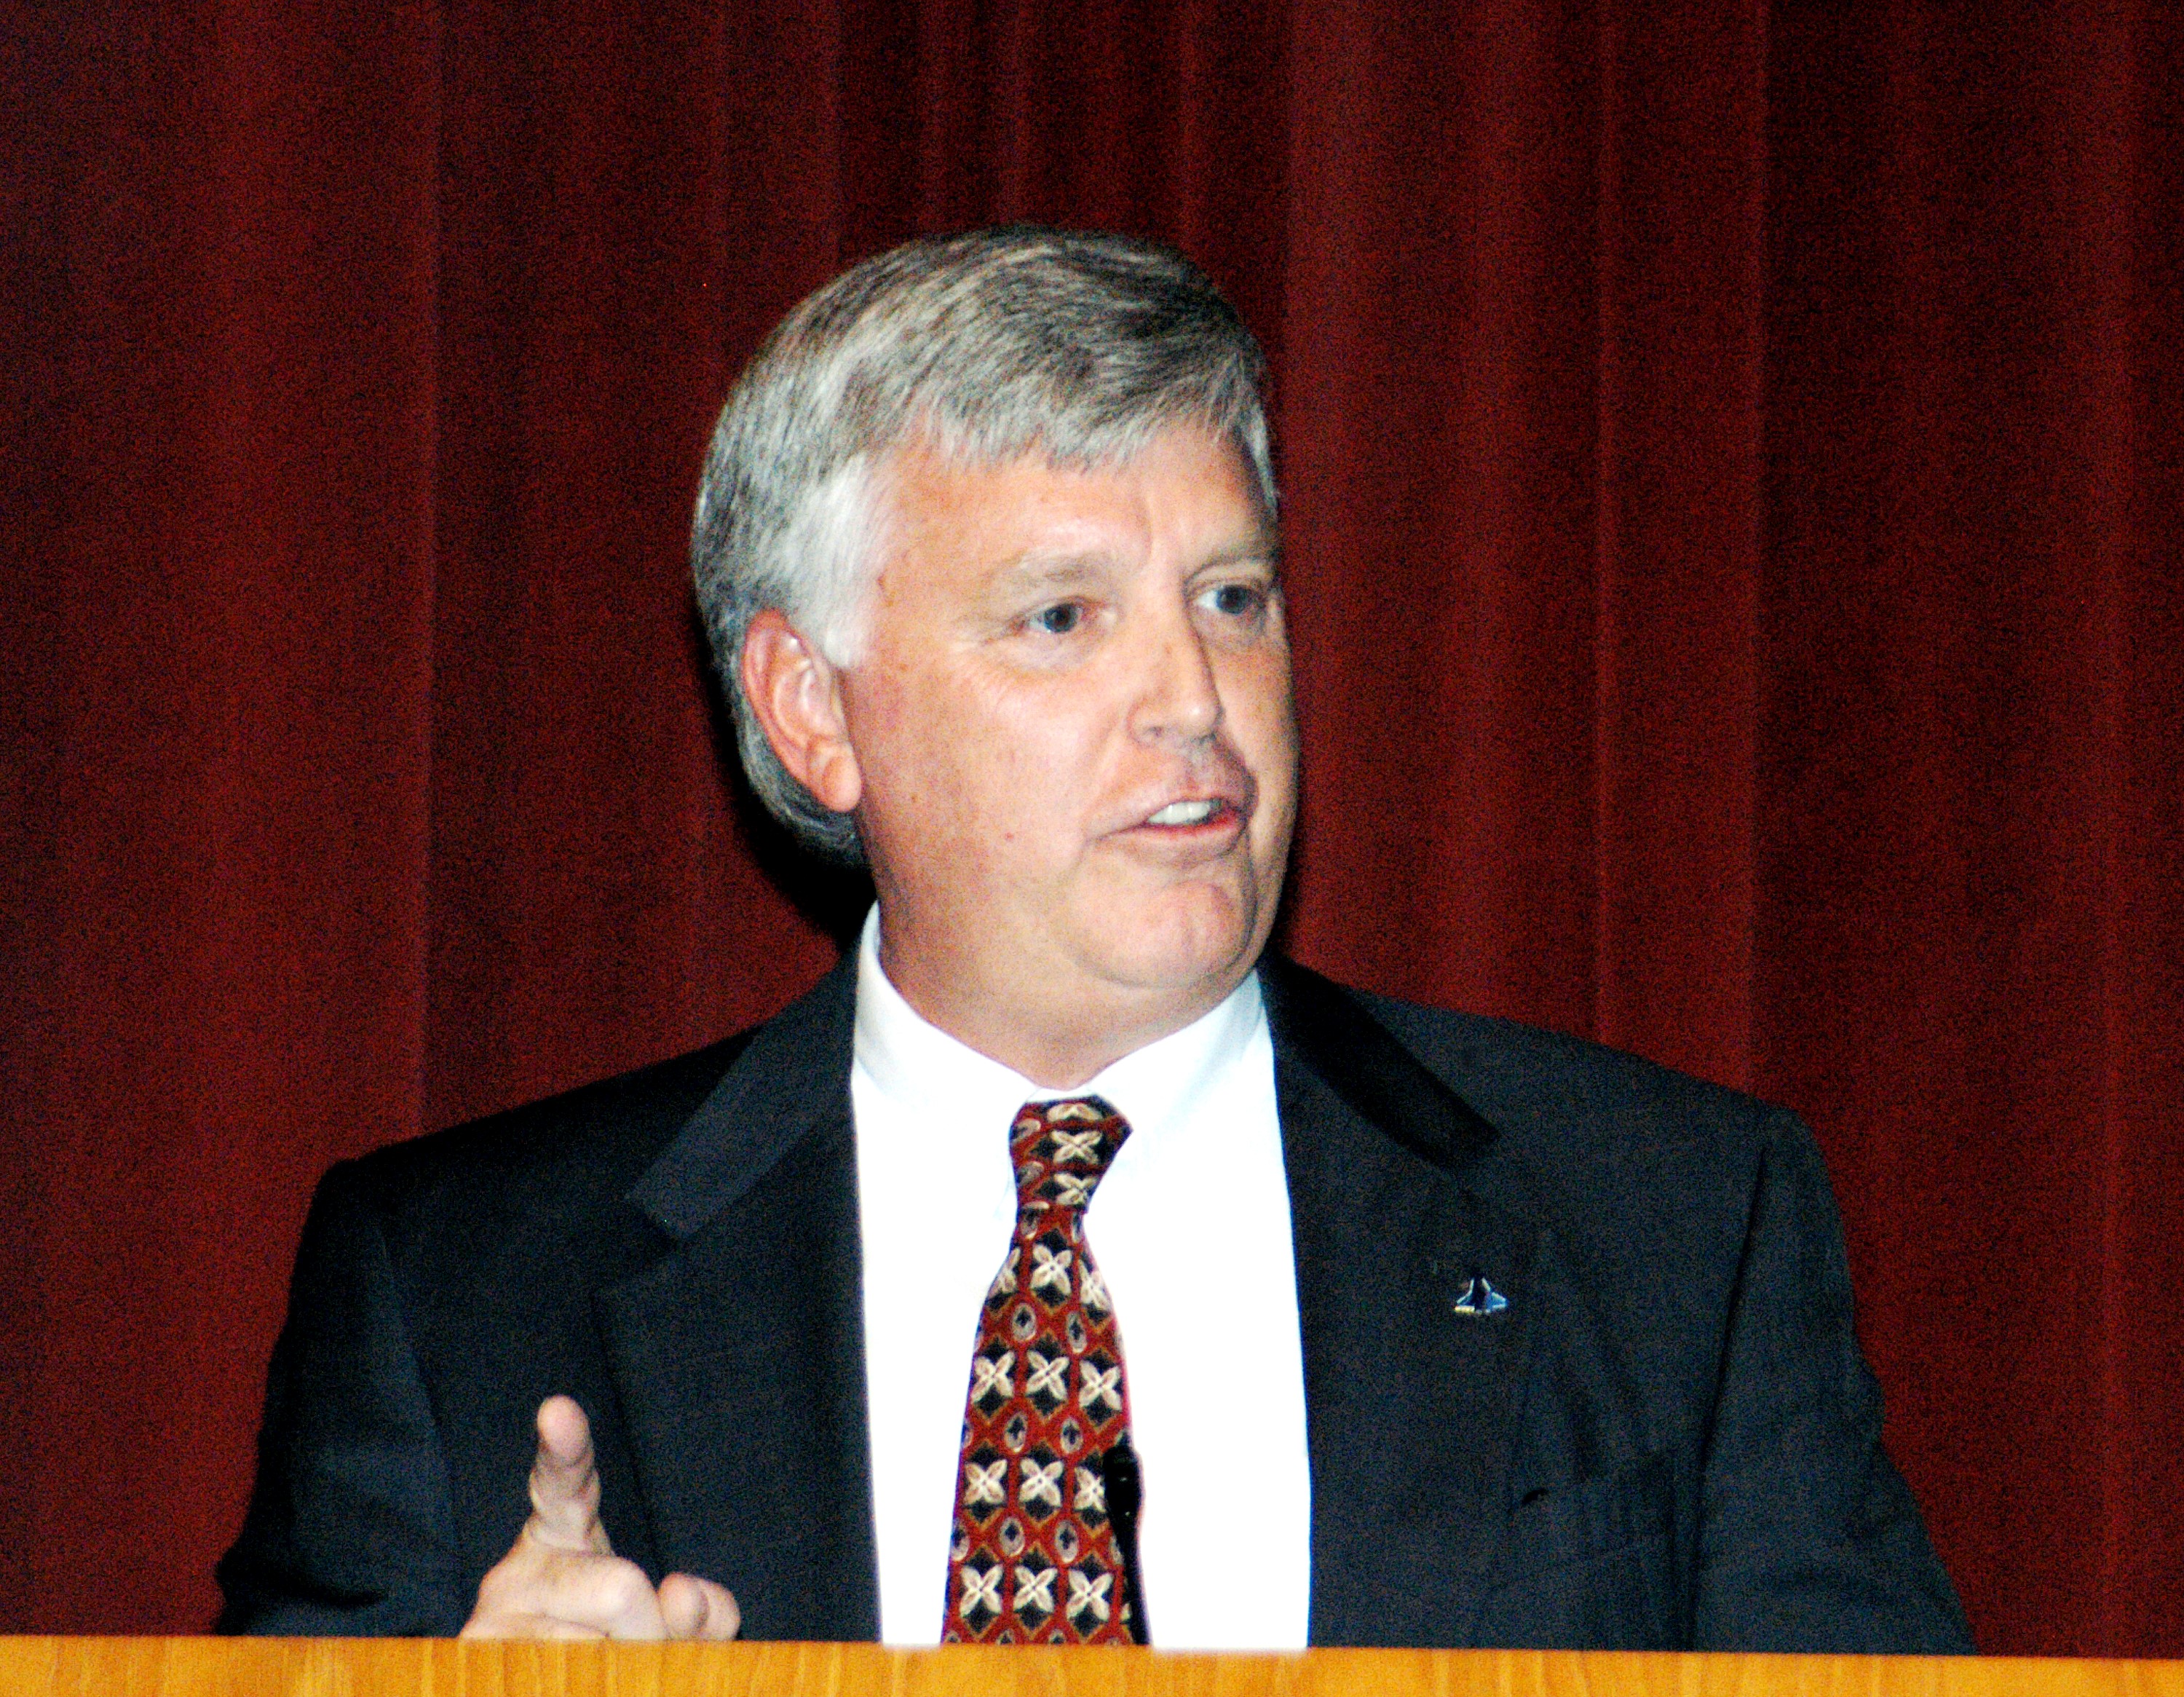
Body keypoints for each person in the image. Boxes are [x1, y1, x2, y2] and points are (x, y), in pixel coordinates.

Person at [217, 226, 1973, 1652]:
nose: (1196, 699)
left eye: (1233, 598)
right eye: (1064, 617)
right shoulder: (457, 1296)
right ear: (813, 708)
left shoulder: (1669, 1231)